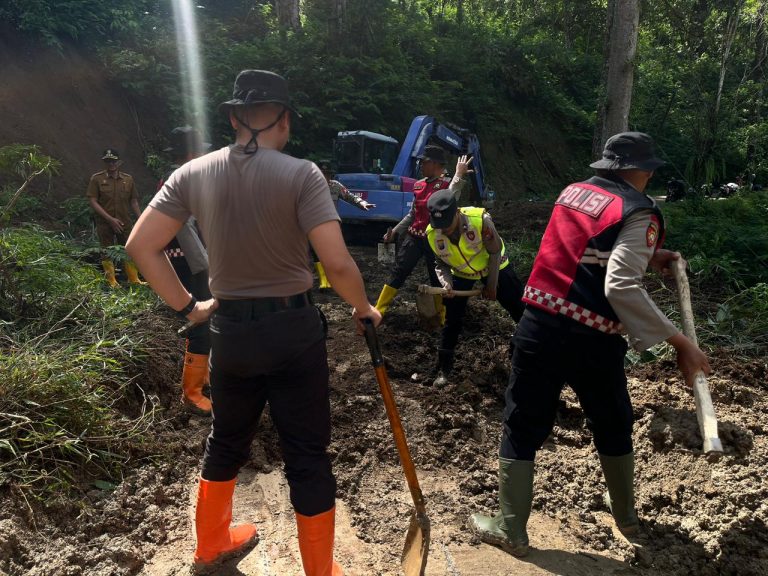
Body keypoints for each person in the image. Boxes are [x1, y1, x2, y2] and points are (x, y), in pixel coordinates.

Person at [126, 69, 381, 574]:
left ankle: (211, 545)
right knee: (307, 452)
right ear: (284, 119)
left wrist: (189, 308)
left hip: (231, 334)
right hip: (293, 332)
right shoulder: (303, 173)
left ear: (232, 117)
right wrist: (362, 307)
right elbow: (336, 262)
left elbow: (140, 247)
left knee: (226, 440)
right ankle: (319, 570)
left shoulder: (191, 174)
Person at [469, 132, 710, 557]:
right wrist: (680, 344)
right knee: (612, 421)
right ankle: (627, 519)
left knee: (523, 422)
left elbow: (585, 250)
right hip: (593, 338)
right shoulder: (641, 212)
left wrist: (646, 254)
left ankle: (511, 528)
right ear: (646, 170)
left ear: (606, 167)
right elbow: (620, 285)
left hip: (540, 325)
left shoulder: (573, 192)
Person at [425, 188, 525, 386]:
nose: (444, 230)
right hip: (463, 274)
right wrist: (447, 283)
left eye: (447, 224)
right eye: (440, 226)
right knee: (452, 319)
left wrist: (492, 285)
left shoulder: (480, 221)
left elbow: (495, 253)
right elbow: (441, 263)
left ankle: (522, 349)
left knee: (519, 310)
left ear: (457, 213)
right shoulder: (432, 234)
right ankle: (444, 369)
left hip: (496, 266)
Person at [373, 146, 468, 317]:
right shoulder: (418, 185)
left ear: (435, 164)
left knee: (437, 278)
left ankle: (441, 316)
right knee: (399, 271)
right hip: (414, 237)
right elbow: (412, 214)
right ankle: (378, 311)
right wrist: (394, 232)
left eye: (423, 162)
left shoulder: (446, 185)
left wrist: (458, 175)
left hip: (436, 240)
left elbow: (452, 195)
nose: (420, 166)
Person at [162, 126, 214, 416]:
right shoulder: (180, 184)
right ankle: (192, 394)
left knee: (208, 323)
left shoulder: (187, 180)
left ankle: (204, 379)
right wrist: (207, 268)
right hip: (191, 266)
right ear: (193, 154)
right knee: (201, 323)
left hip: (194, 263)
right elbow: (185, 232)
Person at [86, 148, 145, 287]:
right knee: (106, 250)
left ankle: (133, 279)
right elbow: (93, 201)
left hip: (124, 221)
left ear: (119, 162)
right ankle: (111, 281)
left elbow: (134, 201)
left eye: (113, 161)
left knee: (128, 249)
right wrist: (109, 219)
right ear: (104, 162)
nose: (111, 164)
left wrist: (141, 218)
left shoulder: (128, 179)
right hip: (105, 223)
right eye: (108, 161)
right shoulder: (97, 179)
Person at [313, 162, 376, 289]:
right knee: (316, 251)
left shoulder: (335, 186)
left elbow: (350, 196)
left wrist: (362, 203)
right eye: (323, 174)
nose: (325, 177)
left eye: (328, 175)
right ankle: (324, 280)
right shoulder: (309, 186)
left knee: (333, 252)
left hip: (332, 224)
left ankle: (338, 278)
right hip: (315, 224)